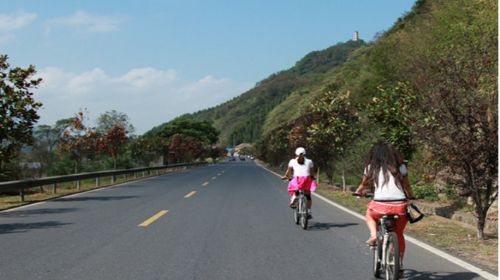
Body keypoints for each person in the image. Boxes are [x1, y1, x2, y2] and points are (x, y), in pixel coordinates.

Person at [354, 141, 414, 269]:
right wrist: (411, 196)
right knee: (398, 234)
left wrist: (358, 192)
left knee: (370, 215)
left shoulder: (371, 167)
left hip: (379, 206)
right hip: (400, 207)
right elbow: (407, 186)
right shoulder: (401, 167)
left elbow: (364, 185)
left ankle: (374, 235)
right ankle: (400, 264)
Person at [281, 147, 317, 217]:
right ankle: (308, 211)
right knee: (308, 196)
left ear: (296, 154)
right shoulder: (309, 161)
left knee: (295, 188)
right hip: (306, 179)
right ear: (305, 154)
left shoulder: (292, 161)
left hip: (297, 179)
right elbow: (312, 172)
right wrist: (312, 177)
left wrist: (286, 176)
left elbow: (288, 171)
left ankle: (295, 197)